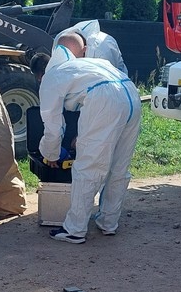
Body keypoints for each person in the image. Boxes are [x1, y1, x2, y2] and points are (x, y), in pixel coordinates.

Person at [34, 48, 141, 244]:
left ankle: (74, 230)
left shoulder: (50, 79)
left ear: (39, 75)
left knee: (88, 168)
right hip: (131, 94)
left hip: (105, 100)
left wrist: (51, 154)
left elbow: (52, 126)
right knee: (119, 167)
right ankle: (108, 222)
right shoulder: (84, 65)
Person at [52, 20, 127, 74]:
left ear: (84, 50)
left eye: (73, 59)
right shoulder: (59, 40)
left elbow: (111, 79)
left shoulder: (103, 51)